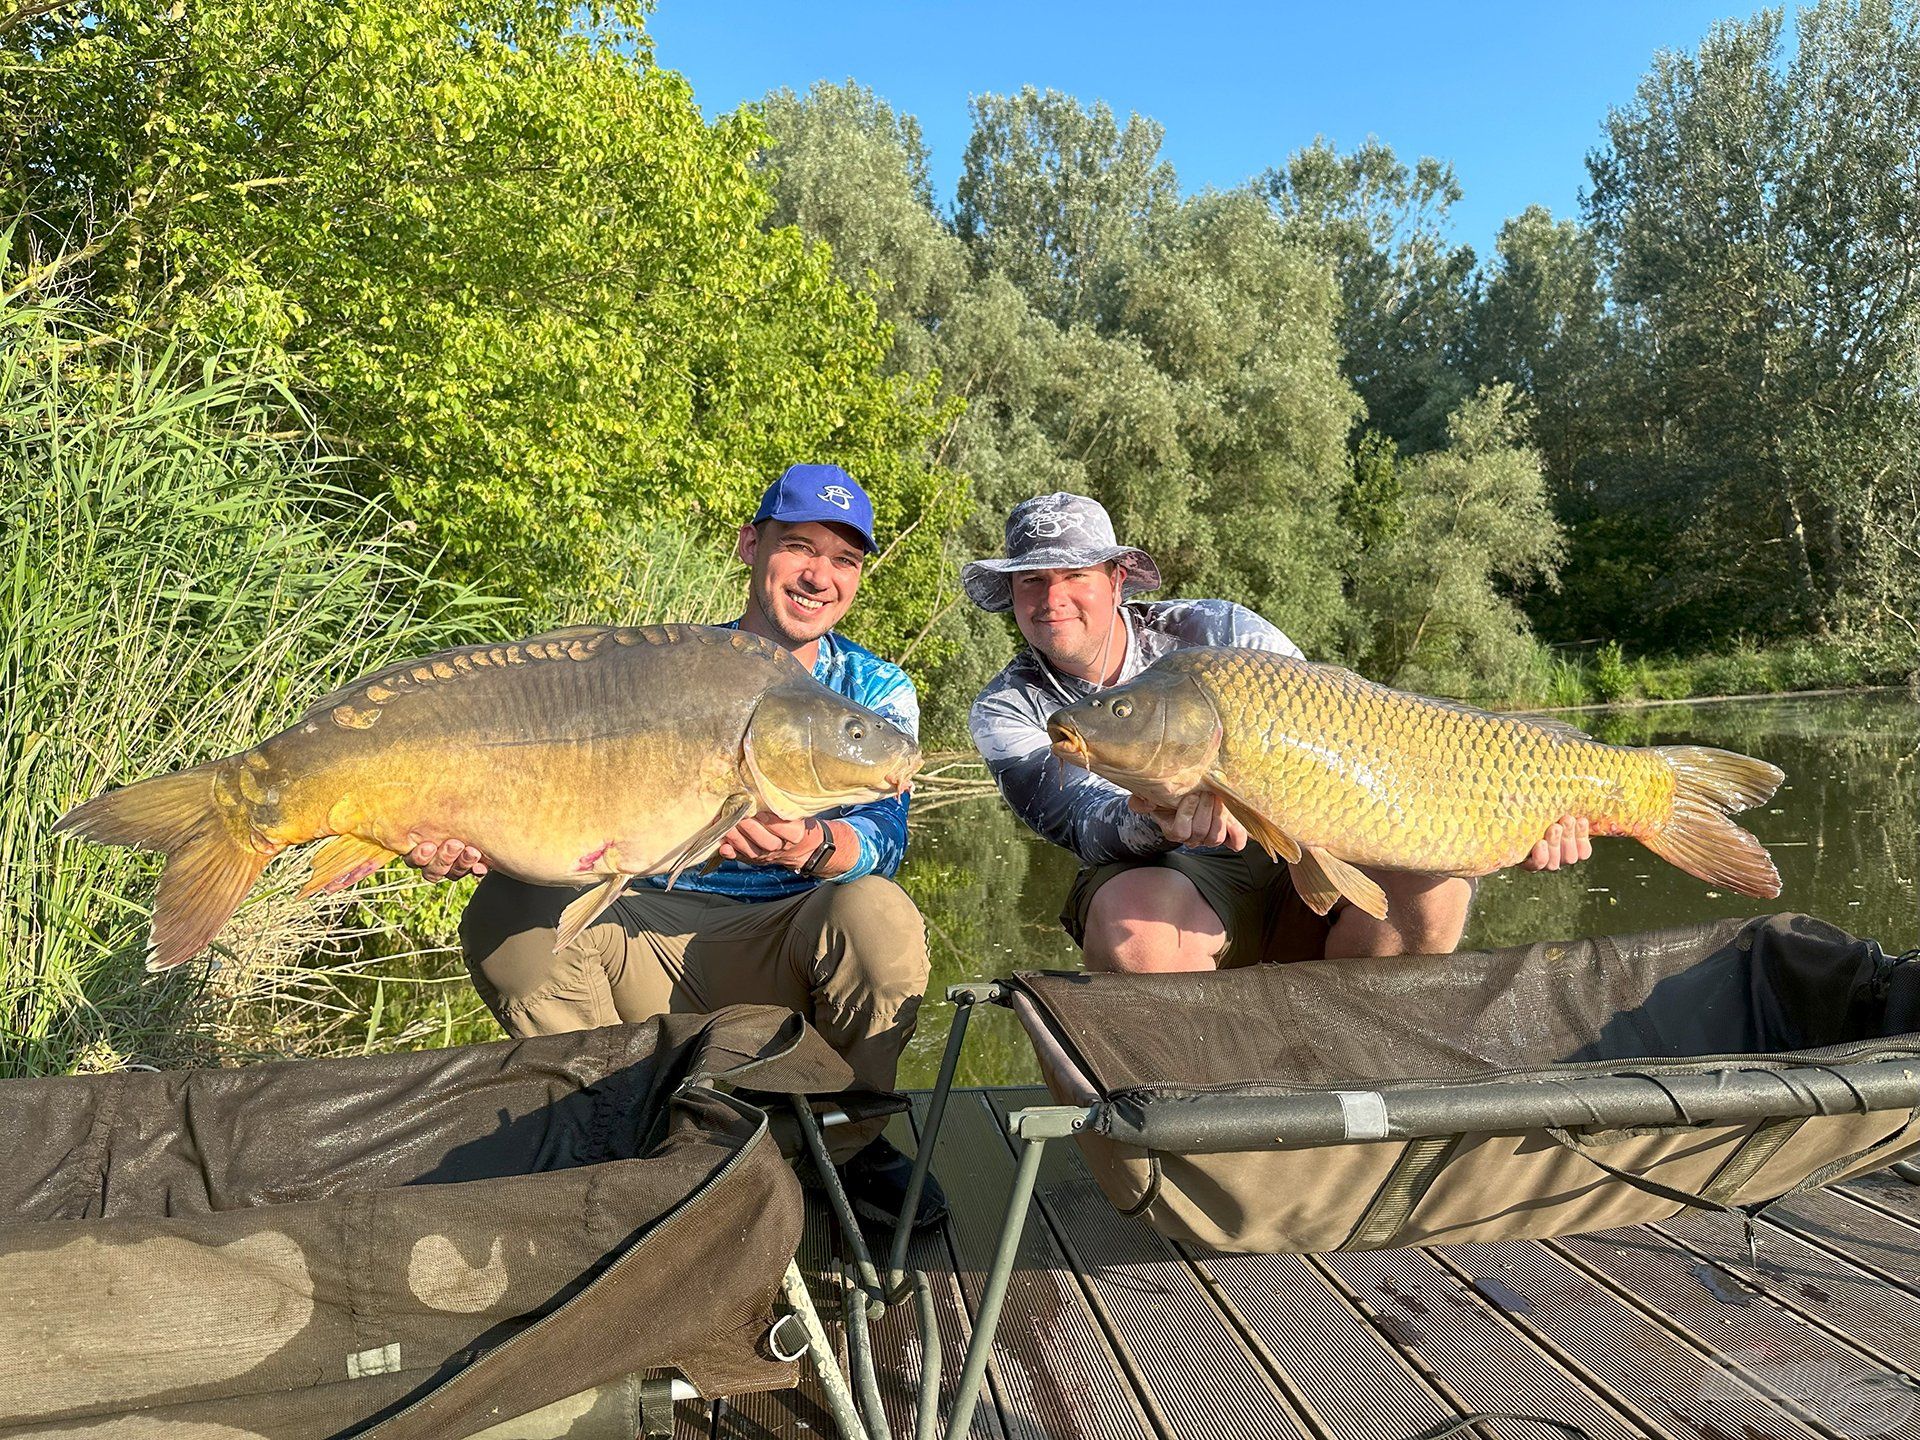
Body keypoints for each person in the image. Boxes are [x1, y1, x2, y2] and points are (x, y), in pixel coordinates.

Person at [411, 464, 945, 1230]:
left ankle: (842, 1143)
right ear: (750, 546)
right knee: (503, 920)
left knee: (880, 915)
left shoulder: (873, 689)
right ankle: (627, 1136)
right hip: (642, 933)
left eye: (844, 561)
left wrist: (810, 845)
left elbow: (881, 840)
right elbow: (552, 785)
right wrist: (470, 833)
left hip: (785, 945)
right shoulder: (671, 665)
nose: (820, 576)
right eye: (799, 547)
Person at [965, 491, 1592, 974]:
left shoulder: (1215, 633)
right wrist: (1160, 818)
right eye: (1033, 580)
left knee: (1436, 889)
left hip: (1307, 843)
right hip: (1173, 873)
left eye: (1075, 576)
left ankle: (1351, 1084)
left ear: (1116, 580)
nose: (1054, 597)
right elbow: (1079, 820)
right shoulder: (1008, 707)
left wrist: (1514, 823)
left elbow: (1352, 732)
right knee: (1137, 928)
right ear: (1013, 594)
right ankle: (1199, 1120)